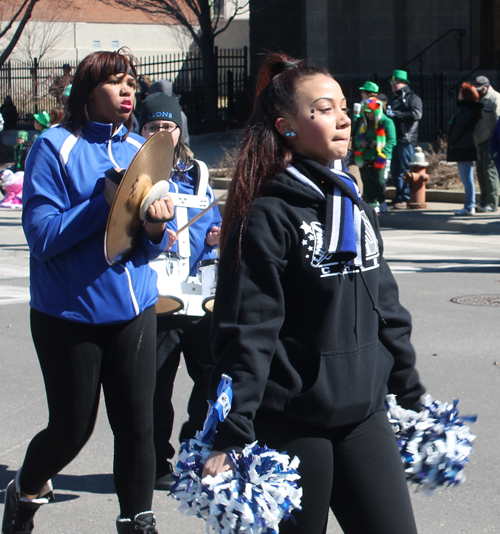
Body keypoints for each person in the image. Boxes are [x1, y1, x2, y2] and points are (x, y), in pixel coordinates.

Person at [202, 52, 425, 534]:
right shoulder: (267, 213)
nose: (343, 118)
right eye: (323, 109)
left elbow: (383, 301)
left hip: (363, 411)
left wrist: (407, 385)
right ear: (286, 127)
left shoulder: (349, 198)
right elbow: (250, 327)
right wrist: (233, 429)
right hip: (292, 419)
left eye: (342, 106)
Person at [1, 49, 174, 534]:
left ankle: (137, 522)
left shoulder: (142, 149)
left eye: (132, 84)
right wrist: (105, 204)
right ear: (87, 91)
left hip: (133, 307)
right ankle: (25, 491)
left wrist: (158, 228)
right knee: (72, 430)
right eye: (116, 82)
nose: (127, 91)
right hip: (68, 314)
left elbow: (152, 242)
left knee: (138, 425)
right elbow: (42, 237)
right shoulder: (53, 147)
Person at [138, 92, 221, 490]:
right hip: (157, 300)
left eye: (166, 126)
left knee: (209, 382)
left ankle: (194, 451)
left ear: (178, 130)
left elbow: (214, 222)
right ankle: (155, 462)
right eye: (151, 126)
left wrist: (221, 235)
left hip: (202, 297)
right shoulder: (132, 172)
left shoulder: (200, 174)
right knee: (155, 387)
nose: (158, 132)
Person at [387, 69, 423, 208]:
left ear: (403, 83)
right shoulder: (394, 98)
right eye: (392, 83)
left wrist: (396, 115)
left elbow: (416, 114)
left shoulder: (412, 98)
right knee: (395, 170)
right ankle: (399, 196)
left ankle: (406, 197)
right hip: (395, 139)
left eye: (395, 83)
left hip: (406, 139)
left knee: (406, 169)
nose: (392, 85)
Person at [354, 97, 396, 213]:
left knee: (379, 182)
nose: (369, 116)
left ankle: (381, 200)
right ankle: (371, 203)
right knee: (367, 182)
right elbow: (357, 138)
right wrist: (362, 143)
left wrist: (380, 149)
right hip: (365, 157)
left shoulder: (387, 122)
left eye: (372, 113)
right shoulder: (364, 123)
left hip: (380, 158)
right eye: (367, 113)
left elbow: (391, 141)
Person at [447, 82, 483, 216]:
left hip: (464, 147)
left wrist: (451, 140)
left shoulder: (465, 110)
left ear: (465, 95)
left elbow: (459, 128)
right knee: (467, 177)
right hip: (465, 146)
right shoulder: (467, 109)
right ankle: (469, 205)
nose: (458, 94)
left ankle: (469, 206)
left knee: (467, 178)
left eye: (461, 92)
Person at [474, 75, 500, 212]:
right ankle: (483, 201)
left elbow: (498, 121)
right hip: (478, 139)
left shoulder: (495, 98)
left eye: (480, 89)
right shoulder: (477, 97)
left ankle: (492, 202)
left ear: (486, 86)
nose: (478, 91)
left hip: (490, 140)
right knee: (480, 171)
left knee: (490, 171)